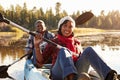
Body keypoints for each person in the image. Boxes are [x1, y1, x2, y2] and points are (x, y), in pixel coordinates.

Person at [34, 16, 118, 80]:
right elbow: (40, 63)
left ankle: (110, 76)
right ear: (60, 27)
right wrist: (37, 46)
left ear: (73, 29)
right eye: (65, 26)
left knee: (89, 50)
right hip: (58, 73)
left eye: (70, 27)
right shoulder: (54, 42)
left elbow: (81, 59)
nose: (67, 29)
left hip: (76, 71)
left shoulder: (77, 42)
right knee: (64, 50)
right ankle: (71, 77)